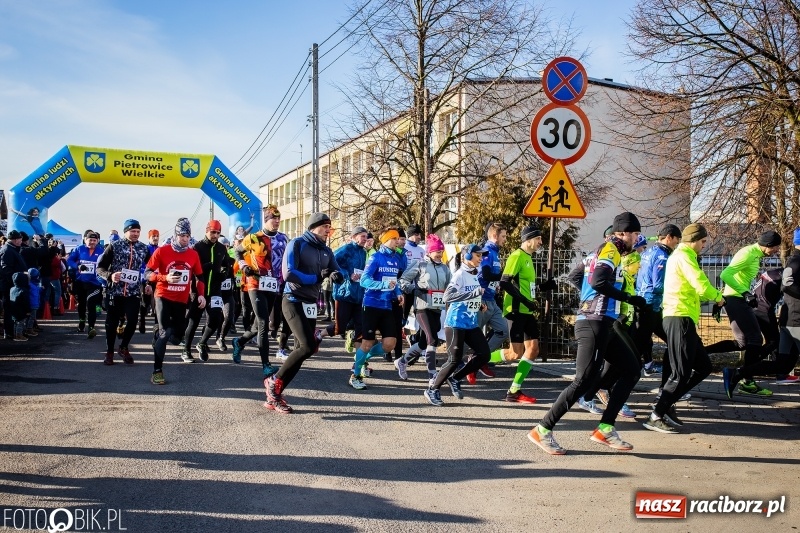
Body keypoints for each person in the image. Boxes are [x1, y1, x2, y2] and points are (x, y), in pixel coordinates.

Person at [528, 212, 647, 455]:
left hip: (605, 322)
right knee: (582, 381)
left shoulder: (600, 251)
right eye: (635, 234)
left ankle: (605, 428)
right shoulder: (611, 251)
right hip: (594, 322)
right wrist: (628, 297)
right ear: (623, 232)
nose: (637, 239)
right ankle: (542, 429)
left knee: (631, 370)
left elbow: (576, 276)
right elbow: (598, 282)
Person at [643, 223, 724, 433]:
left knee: (704, 366)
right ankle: (656, 414)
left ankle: (667, 403)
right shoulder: (684, 256)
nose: (704, 246)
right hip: (679, 318)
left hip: (684, 317)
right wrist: (718, 298)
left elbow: (692, 286)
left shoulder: (681, 255)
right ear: (694, 240)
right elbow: (700, 283)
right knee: (680, 372)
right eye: (703, 241)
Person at [264, 213, 342, 413]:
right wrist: (316, 277)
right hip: (292, 300)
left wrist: (338, 275)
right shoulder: (297, 244)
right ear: (313, 227)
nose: (328, 230)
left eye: (329, 227)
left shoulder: (326, 250)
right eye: (325, 226)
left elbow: (336, 270)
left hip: (310, 304)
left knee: (303, 351)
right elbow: (288, 273)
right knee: (307, 346)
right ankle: (274, 382)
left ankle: (275, 394)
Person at [423, 243, 491, 406]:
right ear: (467, 256)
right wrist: (474, 293)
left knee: (484, 354)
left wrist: (478, 303)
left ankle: (455, 378)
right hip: (455, 323)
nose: (481, 259)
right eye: (478, 255)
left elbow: (468, 296)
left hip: (470, 323)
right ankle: (432, 389)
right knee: (454, 359)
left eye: (482, 256)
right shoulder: (459, 274)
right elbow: (448, 296)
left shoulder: (474, 274)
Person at [719, 230, 782, 397]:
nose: (776, 250)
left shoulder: (756, 254)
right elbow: (725, 274)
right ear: (767, 246)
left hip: (739, 298)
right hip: (735, 298)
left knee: (743, 343)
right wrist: (745, 293)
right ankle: (747, 380)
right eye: (775, 247)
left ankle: (700, 355)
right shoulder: (747, 253)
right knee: (755, 339)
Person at [145, 218, 206, 385]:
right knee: (165, 334)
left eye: (187, 235)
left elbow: (199, 277)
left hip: (181, 300)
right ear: (175, 235)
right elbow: (147, 273)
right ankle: (157, 371)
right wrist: (165, 277)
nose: (185, 239)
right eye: (182, 235)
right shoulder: (162, 251)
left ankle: (158, 332)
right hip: (163, 296)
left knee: (178, 336)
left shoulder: (193, 254)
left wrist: (201, 295)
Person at [499, 224, 556, 403]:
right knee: (514, 354)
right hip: (515, 310)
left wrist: (542, 287)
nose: (541, 242)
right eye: (538, 238)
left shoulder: (528, 258)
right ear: (529, 239)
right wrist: (524, 301)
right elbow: (505, 282)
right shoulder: (516, 256)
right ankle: (478, 358)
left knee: (533, 350)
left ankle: (514, 390)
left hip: (527, 310)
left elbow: (525, 287)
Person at [351, 227, 403, 389]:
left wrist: (398, 292)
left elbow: (393, 281)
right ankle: (356, 374)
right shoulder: (375, 257)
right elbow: (364, 281)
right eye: (394, 238)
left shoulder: (395, 259)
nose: (397, 241)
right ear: (386, 240)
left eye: (398, 239)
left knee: (390, 344)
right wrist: (383, 285)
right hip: (371, 305)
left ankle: (363, 357)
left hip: (387, 305)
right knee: (366, 343)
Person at [96, 219, 152, 365]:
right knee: (111, 324)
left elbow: (150, 268)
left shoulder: (143, 248)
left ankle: (123, 347)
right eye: (133, 231)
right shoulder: (114, 246)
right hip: (115, 291)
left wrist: (148, 282)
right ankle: (109, 352)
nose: (136, 234)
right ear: (125, 231)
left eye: (138, 231)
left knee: (133, 321)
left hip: (133, 292)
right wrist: (110, 275)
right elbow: (100, 268)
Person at [396, 233, 451, 380]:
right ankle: (432, 374)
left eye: (441, 251)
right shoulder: (420, 264)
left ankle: (402, 362)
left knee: (422, 343)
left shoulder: (445, 269)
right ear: (429, 251)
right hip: (422, 307)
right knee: (432, 339)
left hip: (437, 308)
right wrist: (413, 289)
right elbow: (403, 281)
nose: (440, 254)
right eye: (437, 251)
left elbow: (450, 287)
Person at [232, 212, 278, 377]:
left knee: (258, 326)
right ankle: (266, 365)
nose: (277, 221)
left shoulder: (283, 239)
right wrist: (244, 266)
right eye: (274, 218)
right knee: (264, 322)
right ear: (266, 220)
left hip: (273, 284)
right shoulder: (253, 237)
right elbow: (237, 252)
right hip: (254, 283)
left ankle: (239, 341)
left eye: (279, 219)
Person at [635, 224, 682, 376]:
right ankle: (606, 382)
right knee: (638, 347)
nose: (677, 244)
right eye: (677, 240)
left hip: (644, 303)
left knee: (673, 341)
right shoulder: (662, 255)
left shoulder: (648, 252)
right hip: (652, 305)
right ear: (669, 237)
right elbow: (659, 284)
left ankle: (668, 382)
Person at [182, 220, 229, 362]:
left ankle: (202, 343)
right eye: (212, 232)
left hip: (215, 290)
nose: (215, 235)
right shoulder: (197, 247)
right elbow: (190, 268)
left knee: (216, 319)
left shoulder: (221, 248)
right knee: (193, 322)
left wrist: (224, 273)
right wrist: (204, 267)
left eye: (217, 233)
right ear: (206, 231)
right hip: (198, 291)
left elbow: (227, 264)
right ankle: (186, 350)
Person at [319, 226, 368, 359]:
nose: (365, 239)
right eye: (363, 236)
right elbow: (332, 264)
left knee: (360, 329)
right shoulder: (345, 249)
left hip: (359, 295)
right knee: (339, 329)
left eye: (366, 236)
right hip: (344, 294)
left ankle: (359, 363)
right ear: (354, 236)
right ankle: (319, 334)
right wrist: (347, 274)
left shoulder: (363, 252)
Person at [472, 222, 511, 383]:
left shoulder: (495, 252)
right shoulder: (487, 252)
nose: (505, 239)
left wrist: (499, 283)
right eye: (503, 236)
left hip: (491, 300)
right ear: (494, 236)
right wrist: (506, 277)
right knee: (471, 335)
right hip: (481, 300)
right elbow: (485, 275)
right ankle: (457, 369)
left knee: (503, 330)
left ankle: (480, 360)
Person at [67, 230, 103, 338]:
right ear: (85, 240)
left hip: (94, 283)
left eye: (94, 240)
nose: (92, 242)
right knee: (82, 304)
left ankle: (91, 327)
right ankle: (82, 322)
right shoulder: (79, 249)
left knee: (91, 303)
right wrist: (77, 266)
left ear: (97, 241)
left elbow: (106, 264)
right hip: (80, 282)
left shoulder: (101, 251)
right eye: (90, 240)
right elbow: (70, 261)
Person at [1, 231, 28, 340]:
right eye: (20, 239)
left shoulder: (12, 249)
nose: (21, 241)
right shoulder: (7, 250)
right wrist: (19, 277)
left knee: (14, 308)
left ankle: (13, 331)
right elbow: (6, 270)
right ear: (15, 239)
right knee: (9, 309)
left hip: (13, 285)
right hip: (9, 286)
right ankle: (9, 333)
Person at [9, 271, 31, 341]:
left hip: (13, 309)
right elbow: (26, 302)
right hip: (21, 310)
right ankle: (19, 335)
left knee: (15, 322)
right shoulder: (24, 290)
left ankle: (15, 334)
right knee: (21, 323)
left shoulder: (12, 289)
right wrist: (28, 310)